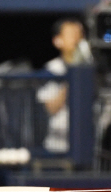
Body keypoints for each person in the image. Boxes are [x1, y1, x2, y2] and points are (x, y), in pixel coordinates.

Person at [36, 18, 88, 153]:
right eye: (71, 34)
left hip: (88, 144)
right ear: (57, 41)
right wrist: (73, 81)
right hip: (57, 145)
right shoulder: (52, 70)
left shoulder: (92, 68)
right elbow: (50, 108)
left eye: (80, 35)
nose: (76, 40)